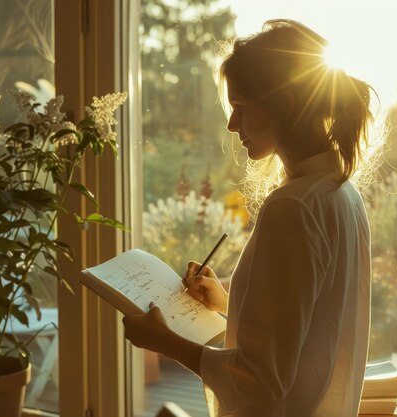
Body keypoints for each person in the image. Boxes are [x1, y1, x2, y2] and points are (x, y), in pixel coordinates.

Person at [123, 19, 380, 417]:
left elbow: (261, 384)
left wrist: (164, 341)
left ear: (286, 104)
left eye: (240, 107)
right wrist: (228, 303)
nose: (231, 124)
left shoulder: (293, 207)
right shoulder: (340, 192)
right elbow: (309, 325)